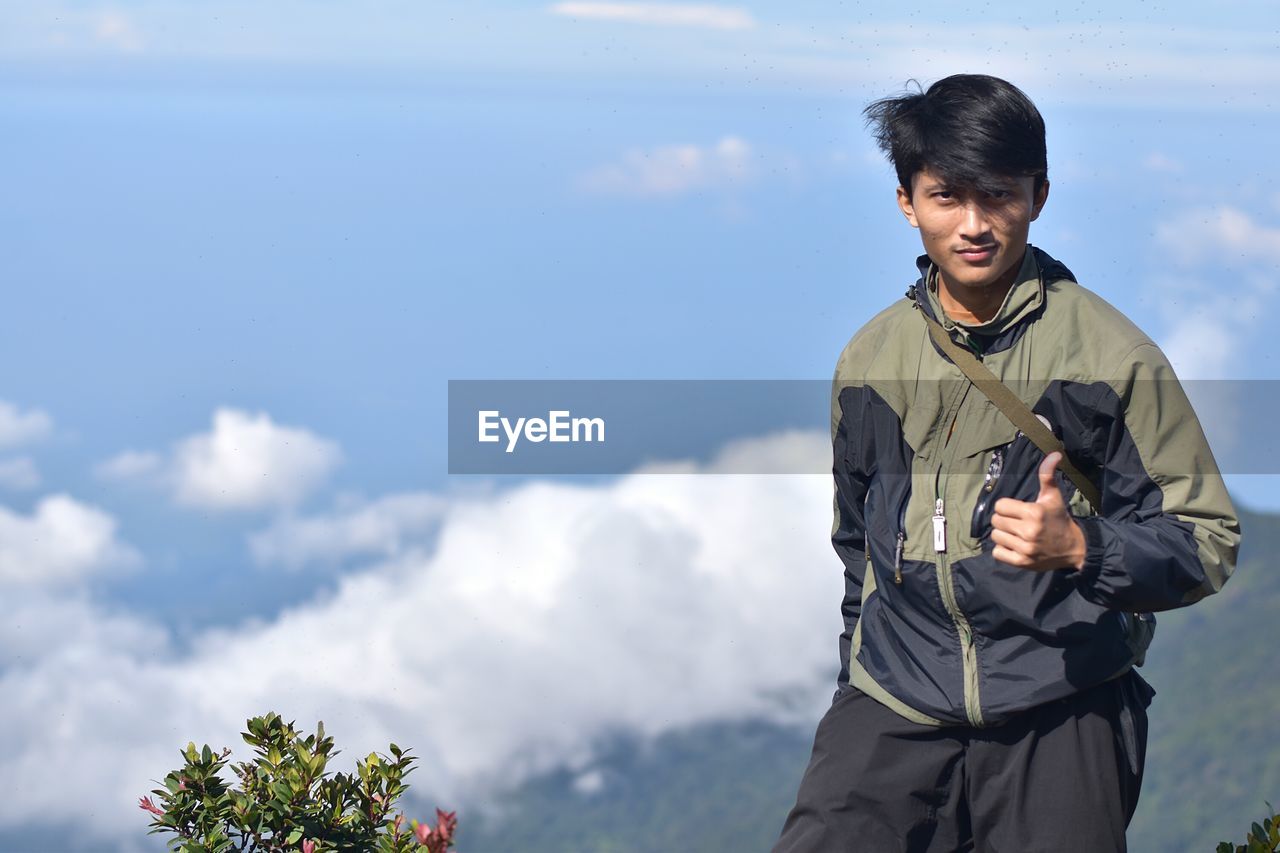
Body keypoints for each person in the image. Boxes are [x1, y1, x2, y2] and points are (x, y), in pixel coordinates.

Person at [772, 74, 1241, 853]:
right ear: (907, 203)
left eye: (1000, 195)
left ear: (1040, 194)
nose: (976, 224)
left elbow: (1207, 539)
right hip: (893, 702)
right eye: (948, 196)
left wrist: (1086, 550)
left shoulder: (1107, 358)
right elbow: (858, 547)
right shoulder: (870, 361)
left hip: (1059, 704)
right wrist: (857, 677)